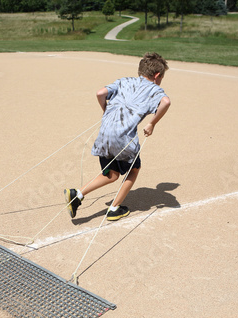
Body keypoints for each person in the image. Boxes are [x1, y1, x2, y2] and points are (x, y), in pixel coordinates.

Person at [64, 52, 171, 221]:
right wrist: (152, 123)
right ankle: (114, 209)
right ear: (157, 75)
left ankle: (77, 194)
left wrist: (105, 110)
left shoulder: (124, 81)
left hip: (104, 133)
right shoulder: (155, 89)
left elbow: (100, 93)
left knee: (112, 174)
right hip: (123, 138)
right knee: (134, 169)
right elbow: (166, 102)